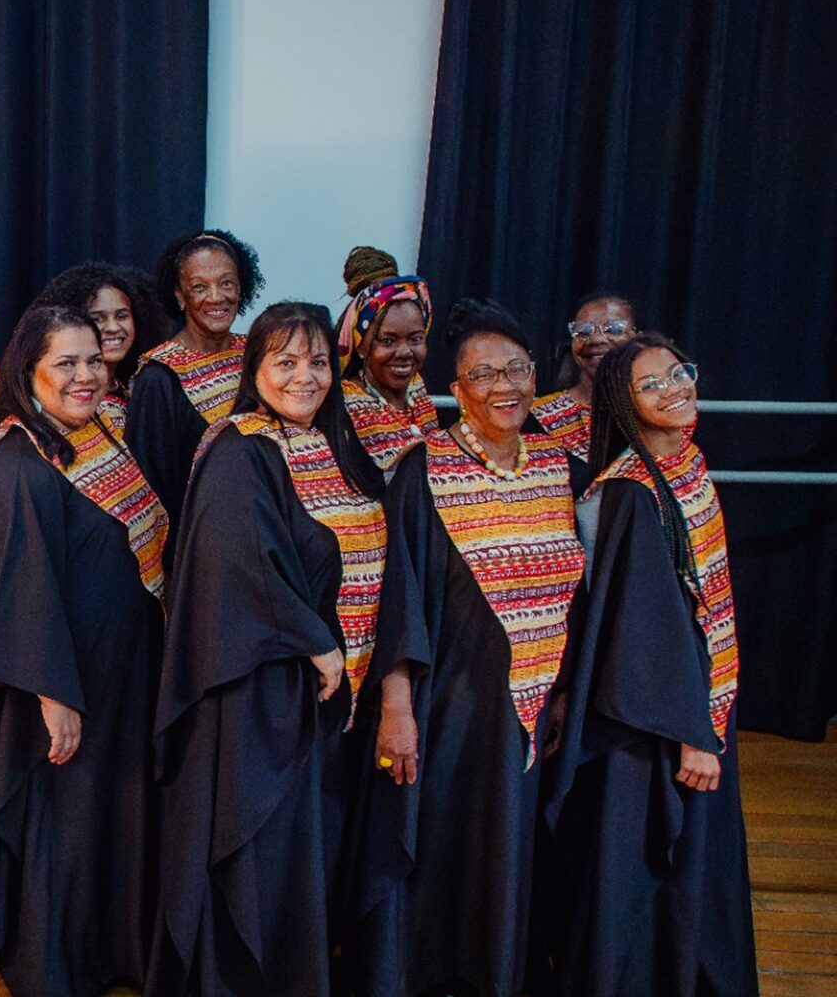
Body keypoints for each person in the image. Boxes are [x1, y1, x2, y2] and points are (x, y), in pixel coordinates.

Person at [147, 301, 386, 997]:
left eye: (317, 361)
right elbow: (236, 561)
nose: (304, 375)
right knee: (258, 847)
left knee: (304, 852)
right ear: (254, 370)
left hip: (319, 699)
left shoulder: (334, 442)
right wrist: (317, 641)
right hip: (258, 688)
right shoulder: (238, 447)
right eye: (284, 361)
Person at [346, 299, 583, 997]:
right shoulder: (425, 471)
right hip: (451, 701)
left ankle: (499, 969)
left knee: (514, 845)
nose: (504, 387)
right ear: (456, 386)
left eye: (516, 369)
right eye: (484, 375)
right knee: (447, 838)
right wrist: (397, 707)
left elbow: (584, 597)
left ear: (536, 374)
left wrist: (566, 688)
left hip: (536, 707)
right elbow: (402, 598)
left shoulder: (561, 470)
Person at [0, 305, 168, 996]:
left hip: (119, 673)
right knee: (62, 825)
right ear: (28, 371)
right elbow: (15, 592)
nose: (86, 375)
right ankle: (52, 966)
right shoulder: (13, 463)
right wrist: (55, 696)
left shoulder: (98, 439)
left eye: (93, 360)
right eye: (65, 363)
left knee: (109, 818)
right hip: (59, 685)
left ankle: (111, 950)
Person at [542, 334, 758, 996]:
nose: (676, 389)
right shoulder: (631, 495)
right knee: (638, 875)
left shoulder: (687, 464)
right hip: (649, 723)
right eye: (652, 384)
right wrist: (693, 730)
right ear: (623, 403)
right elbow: (641, 635)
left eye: (679, 373)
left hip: (697, 696)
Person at [127, 229, 265, 544]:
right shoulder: (159, 378)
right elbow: (152, 491)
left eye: (226, 283)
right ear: (179, 295)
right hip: (197, 548)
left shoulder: (259, 356)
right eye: (199, 287)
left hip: (261, 539)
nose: (216, 297)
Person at [334, 246, 438, 476]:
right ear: (360, 345)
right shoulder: (348, 404)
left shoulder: (416, 388)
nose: (404, 352)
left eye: (415, 338)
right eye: (388, 341)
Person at [31, 260, 170, 411]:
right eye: (97, 318)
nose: (113, 327)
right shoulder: (63, 396)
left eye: (121, 316)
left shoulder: (133, 388)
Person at [529, 293, 638, 460]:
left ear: (639, 338)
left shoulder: (661, 408)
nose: (596, 339)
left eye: (614, 329)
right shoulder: (538, 414)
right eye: (583, 331)